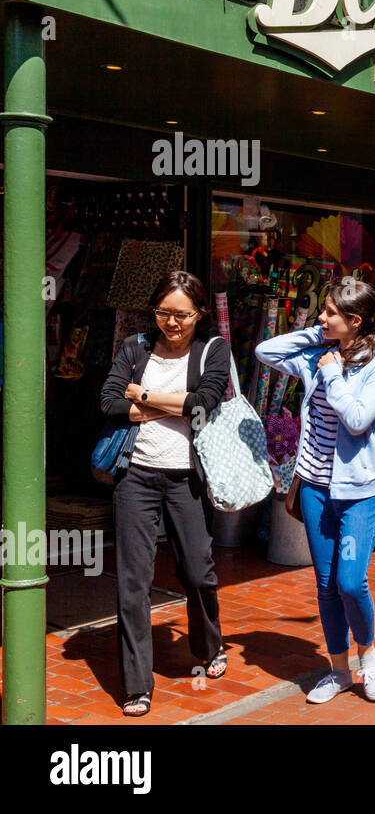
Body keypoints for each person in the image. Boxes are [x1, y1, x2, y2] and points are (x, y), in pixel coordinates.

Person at [255, 278, 375, 705]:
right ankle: (338, 671)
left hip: (359, 492)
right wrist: (319, 335)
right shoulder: (319, 353)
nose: (321, 316)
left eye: (329, 313)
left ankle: (368, 656)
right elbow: (266, 352)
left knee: (351, 583)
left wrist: (333, 373)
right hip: (315, 487)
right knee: (325, 583)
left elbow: (357, 419)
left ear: (355, 321)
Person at [99, 271, 231, 718]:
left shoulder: (212, 350)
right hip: (135, 476)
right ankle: (137, 684)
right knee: (132, 583)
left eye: (181, 315)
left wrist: (146, 396)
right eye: (163, 313)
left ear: (199, 314)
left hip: (185, 478)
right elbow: (109, 401)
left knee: (197, 572)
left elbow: (203, 402)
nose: (171, 323)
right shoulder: (135, 347)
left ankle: (209, 643)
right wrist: (170, 402)